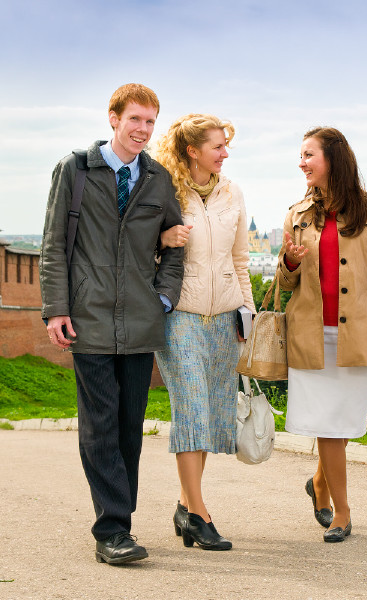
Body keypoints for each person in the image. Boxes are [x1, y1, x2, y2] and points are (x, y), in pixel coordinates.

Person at [40, 84, 184, 563]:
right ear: (113, 118)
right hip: (89, 318)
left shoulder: (159, 179)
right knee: (100, 425)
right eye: (135, 120)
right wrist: (57, 308)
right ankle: (113, 531)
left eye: (150, 122)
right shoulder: (76, 170)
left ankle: (119, 522)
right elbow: (54, 245)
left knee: (128, 426)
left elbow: (176, 245)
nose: (142, 130)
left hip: (141, 321)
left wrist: (163, 297)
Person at [277, 126, 367, 543]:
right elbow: (285, 283)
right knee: (328, 425)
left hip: (357, 333)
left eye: (309, 154)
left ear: (334, 159)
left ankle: (320, 484)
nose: (302, 162)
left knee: (341, 423)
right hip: (311, 333)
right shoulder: (297, 214)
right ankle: (342, 511)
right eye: (301, 154)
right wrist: (289, 263)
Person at [154, 114, 256, 551]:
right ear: (193, 151)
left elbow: (240, 262)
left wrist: (247, 313)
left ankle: (184, 505)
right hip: (181, 316)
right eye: (217, 146)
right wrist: (162, 240)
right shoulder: (163, 192)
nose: (225, 154)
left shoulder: (233, 192)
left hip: (224, 319)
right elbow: (138, 248)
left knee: (211, 416)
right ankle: (199, 514)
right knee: (191, 409)